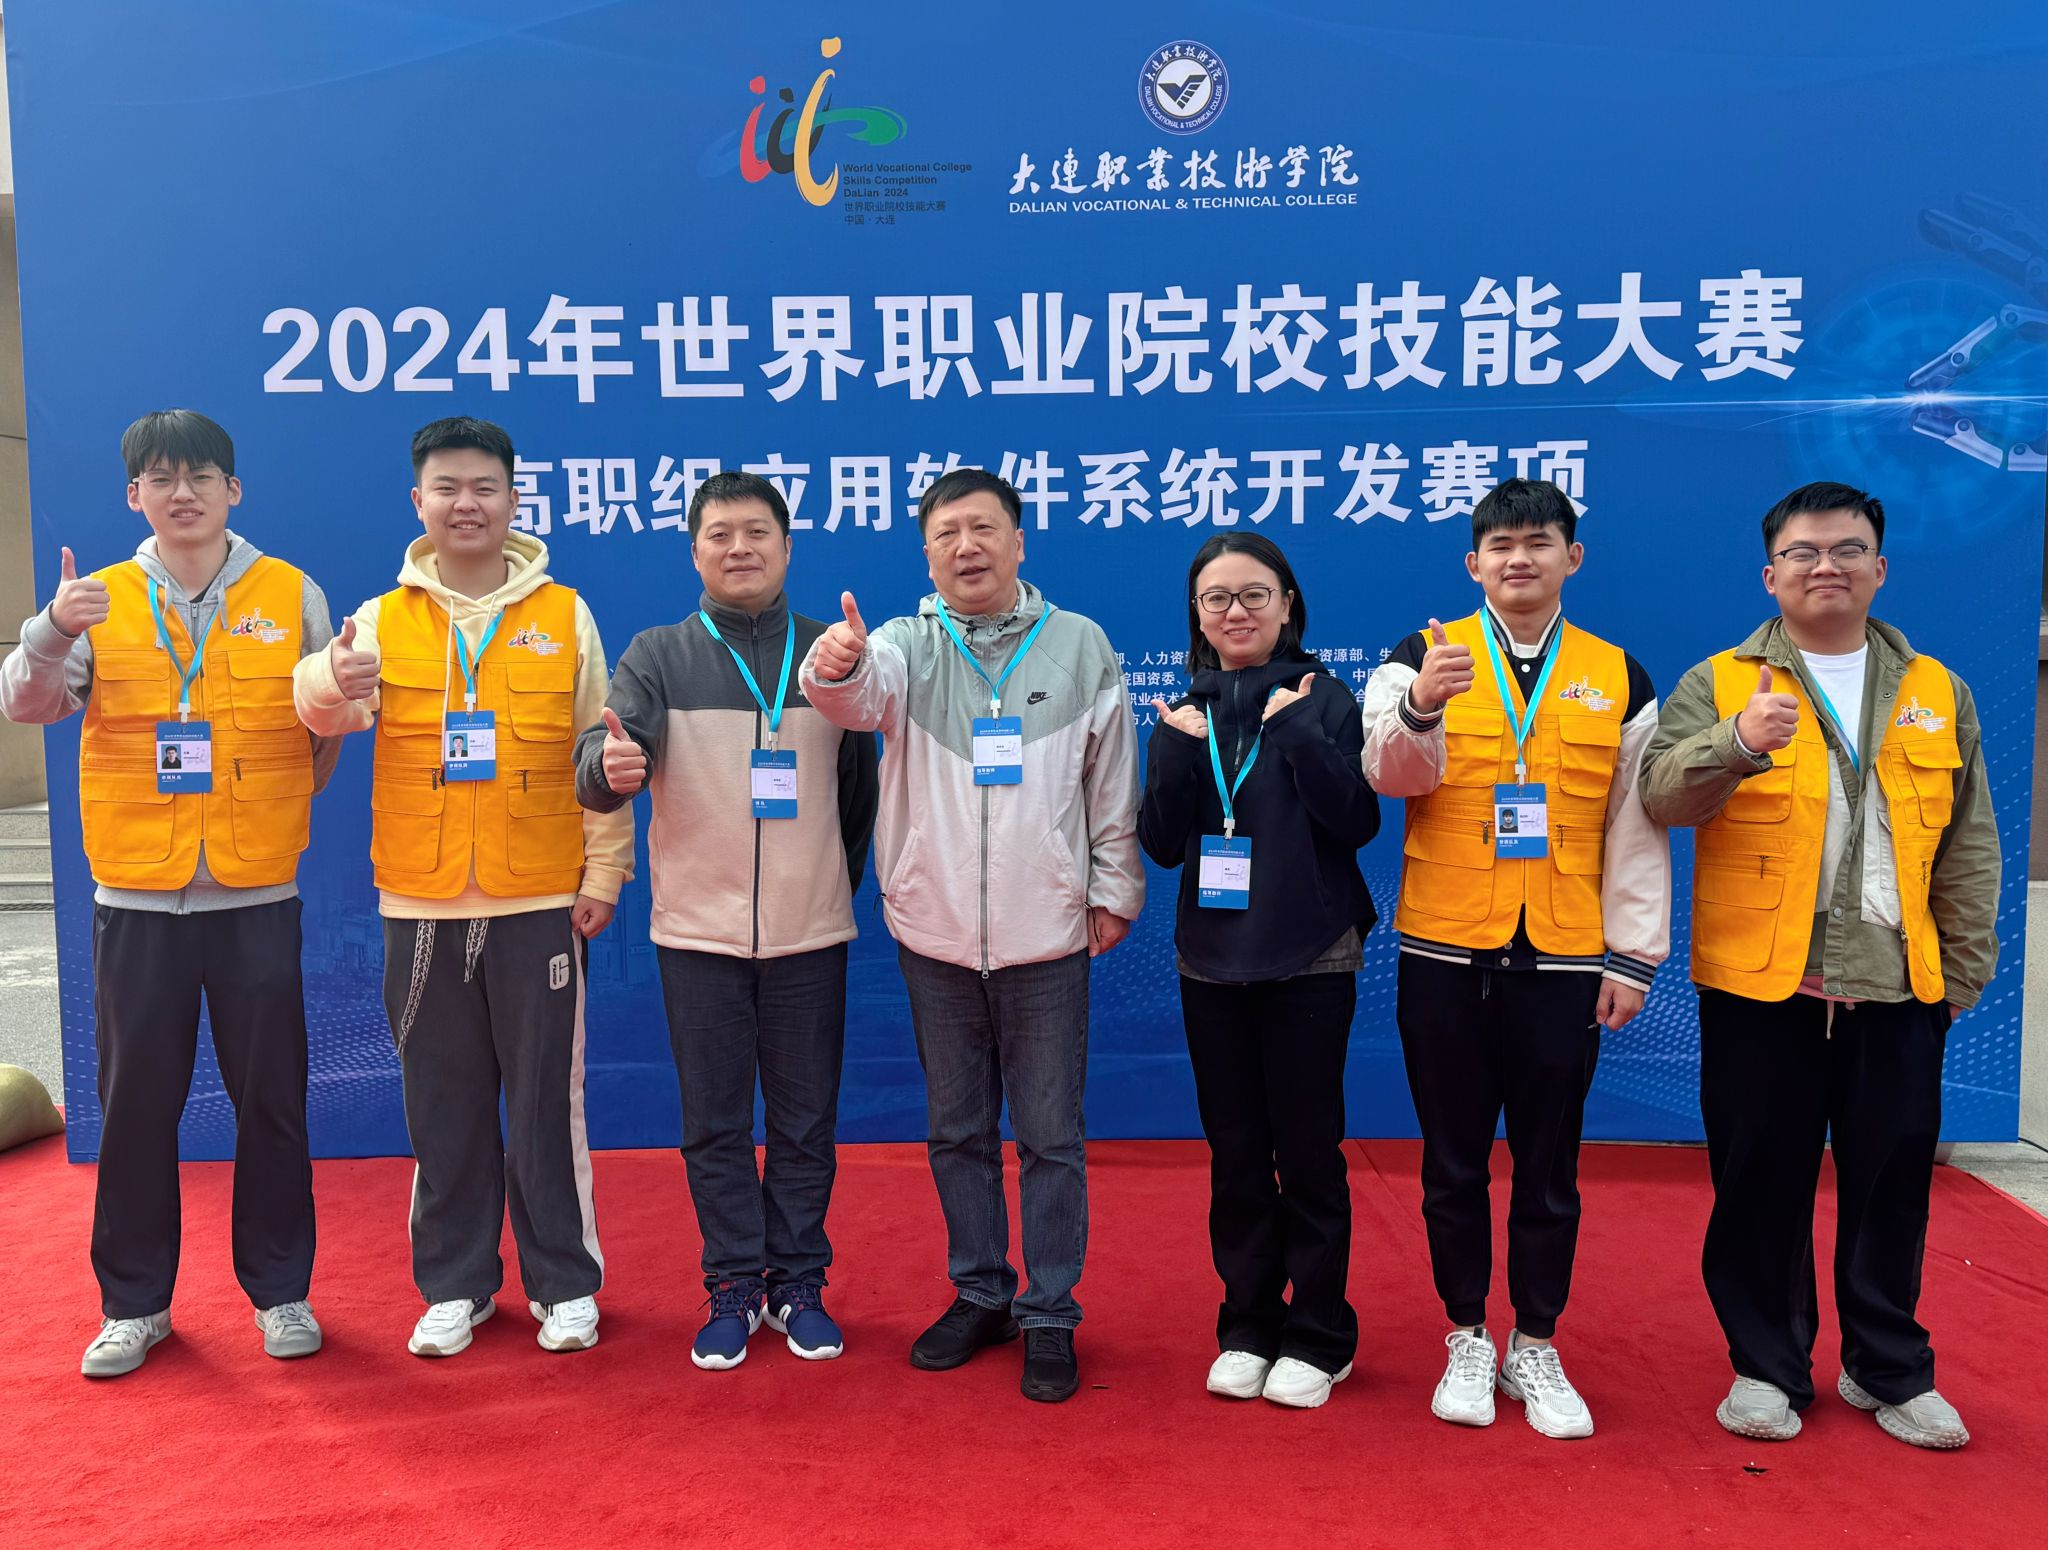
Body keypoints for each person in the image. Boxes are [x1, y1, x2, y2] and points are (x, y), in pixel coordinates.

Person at [1639, 480, 1999, 1450]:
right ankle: (1765, 1365)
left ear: (1879, 568)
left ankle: (1887, 1367)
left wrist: (1961, 972)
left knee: (1891, 1186)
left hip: (1897, 981)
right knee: (1759, 1181)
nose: (1824, 565)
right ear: (1771, 574)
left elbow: (1968, 842)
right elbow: (1661, 795)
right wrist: (1735, 744)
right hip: (1763, 983)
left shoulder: (1936, 690)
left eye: (1845, 549)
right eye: (1801, 552)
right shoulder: (1720, 682)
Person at [1, 409, 338, 1377]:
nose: (181, 492)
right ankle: (134, 1304)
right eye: (160, 477)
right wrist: (48, 630)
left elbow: (321, 727)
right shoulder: (97, 599)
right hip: (138, 900)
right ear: (134, 495)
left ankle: (281, 1291)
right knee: (135, 1108)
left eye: (199, 475)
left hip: (255, 896)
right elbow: (27, 703)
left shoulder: (292, 593)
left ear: (234, 490)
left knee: (272, 1104)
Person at [799, 467, 1143, 1403]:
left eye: (984, 529)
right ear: (927, 555)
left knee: (1050, 1137)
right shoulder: (904, 645)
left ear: (1018, 542)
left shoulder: (1078, 643)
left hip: (1047, 934)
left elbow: (1112, 779)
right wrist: (835, 662)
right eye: (947, 533)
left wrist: (1113, 887)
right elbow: (850, 700)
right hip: (936, 931)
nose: (967, 547)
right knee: (956, 1132)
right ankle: (981, 1291)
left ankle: (1050, 1311)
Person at [292, 416, 633, 1359]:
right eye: (447, 487)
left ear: (514, 499)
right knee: (440, 1104)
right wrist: (330, 675)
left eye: (484, 486)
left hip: (538, 901)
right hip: (422, 903)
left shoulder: (564, 614)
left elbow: (599, 753)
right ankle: (455, 1286)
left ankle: (565, 1283)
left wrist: (605, 869)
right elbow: (321, 710)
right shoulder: (381, 619)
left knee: (546, 1108)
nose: (466, 504)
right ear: (419, 501)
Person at [1361, 478, 1669, 1439]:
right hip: (1445, 949)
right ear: (1473, 564)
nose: (1518, 559)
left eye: (1538, 543)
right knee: (1451, 1162)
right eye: (1499, 546)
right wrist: (1421, 705)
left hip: (1566, 955)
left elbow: (1636, 824)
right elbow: (1386, 775)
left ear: (1573, 557)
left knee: (1549, 1166)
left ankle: (1536, 1342)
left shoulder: (1619, 676)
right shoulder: (1420, 654)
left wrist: (1632, 955)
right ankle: (1465, 1334)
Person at [575, 471, 878, 1370]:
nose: (739, 548)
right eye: (719, 534)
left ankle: (799, 1284)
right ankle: (734, 1286)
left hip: (811, 935)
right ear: (695, 552)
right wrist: (607, 771)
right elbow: (606, 753)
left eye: (756, 532)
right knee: (713, 1125)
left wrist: (825, 884)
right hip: (697, 938)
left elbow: (857, 795)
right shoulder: (660, 654)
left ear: (787, 547)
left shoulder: (829, 652)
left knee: (805, 1123)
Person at [1137, 533, 1379, 1410]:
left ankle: (1319, 1334)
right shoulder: (1183, 711)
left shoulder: (1326, 697)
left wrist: (1301, 734)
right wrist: (1172, 755)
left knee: (1308, 1153)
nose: (1235, 612)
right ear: (1197, 616)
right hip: (1211, 961)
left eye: (1253, 595)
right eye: (1217, 599)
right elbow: (1162, 845)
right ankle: (1246, 1323)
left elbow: (1355, 821)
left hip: (1310, 955)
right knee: (1236, 1154)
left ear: (1287, 605)